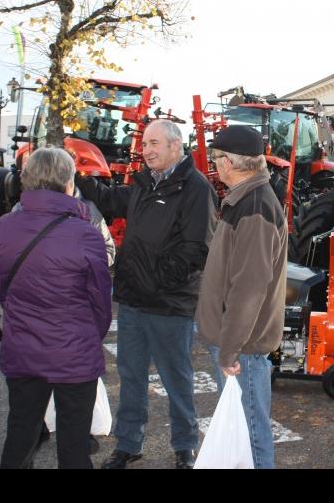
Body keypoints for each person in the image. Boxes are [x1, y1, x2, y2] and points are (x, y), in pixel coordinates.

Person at [78, 119, 218, 470]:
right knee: (131, 376)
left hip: (170, 303)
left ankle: (185, 447)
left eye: (154, 143)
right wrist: (76, 177)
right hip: (134, 301)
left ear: (175, 145)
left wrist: (156, 280)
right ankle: (128, 444)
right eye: (145, 144)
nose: (147, 149)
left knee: (177, 380)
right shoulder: (143, 184)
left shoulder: (195, 188)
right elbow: (110, 199)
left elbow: (196, 248)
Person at [0, 147, 112, 469]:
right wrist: (87, 334)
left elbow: (3, 284)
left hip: (24, 346)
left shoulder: (5, 226)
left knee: (20, 434)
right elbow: (101, 301)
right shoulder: (85, 233)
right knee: (73, 446)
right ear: (68, 183)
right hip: (74, 350)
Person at [195, 125, 286, 469]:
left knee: (250, 435)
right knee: (245, 432)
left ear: (230, 162)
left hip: (243, 349)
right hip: (239, 346)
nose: (215, 164)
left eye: (217, 158)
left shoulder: (254, 206)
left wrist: (230, 348)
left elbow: (248, 289)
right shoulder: (244, 200)